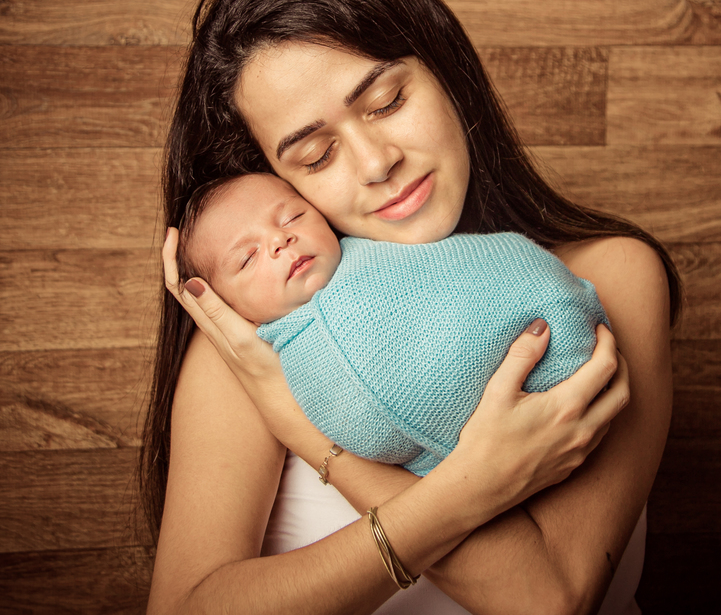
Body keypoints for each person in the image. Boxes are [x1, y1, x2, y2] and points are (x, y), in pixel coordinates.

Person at [141, 0, 682, 615]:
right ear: (274, 181)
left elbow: (550, 607)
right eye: (315, 154)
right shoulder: (254, 345)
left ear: (447, 72)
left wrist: (301, 423)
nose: (377, 163)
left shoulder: (608, 278)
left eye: (388, 99)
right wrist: (470, 489)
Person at [176, 171, 610, 476]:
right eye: (247, 258)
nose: (280, 240)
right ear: (227, 308)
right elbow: (374, 425)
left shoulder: (377, 247)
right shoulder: (286, 358)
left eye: (292, 217)